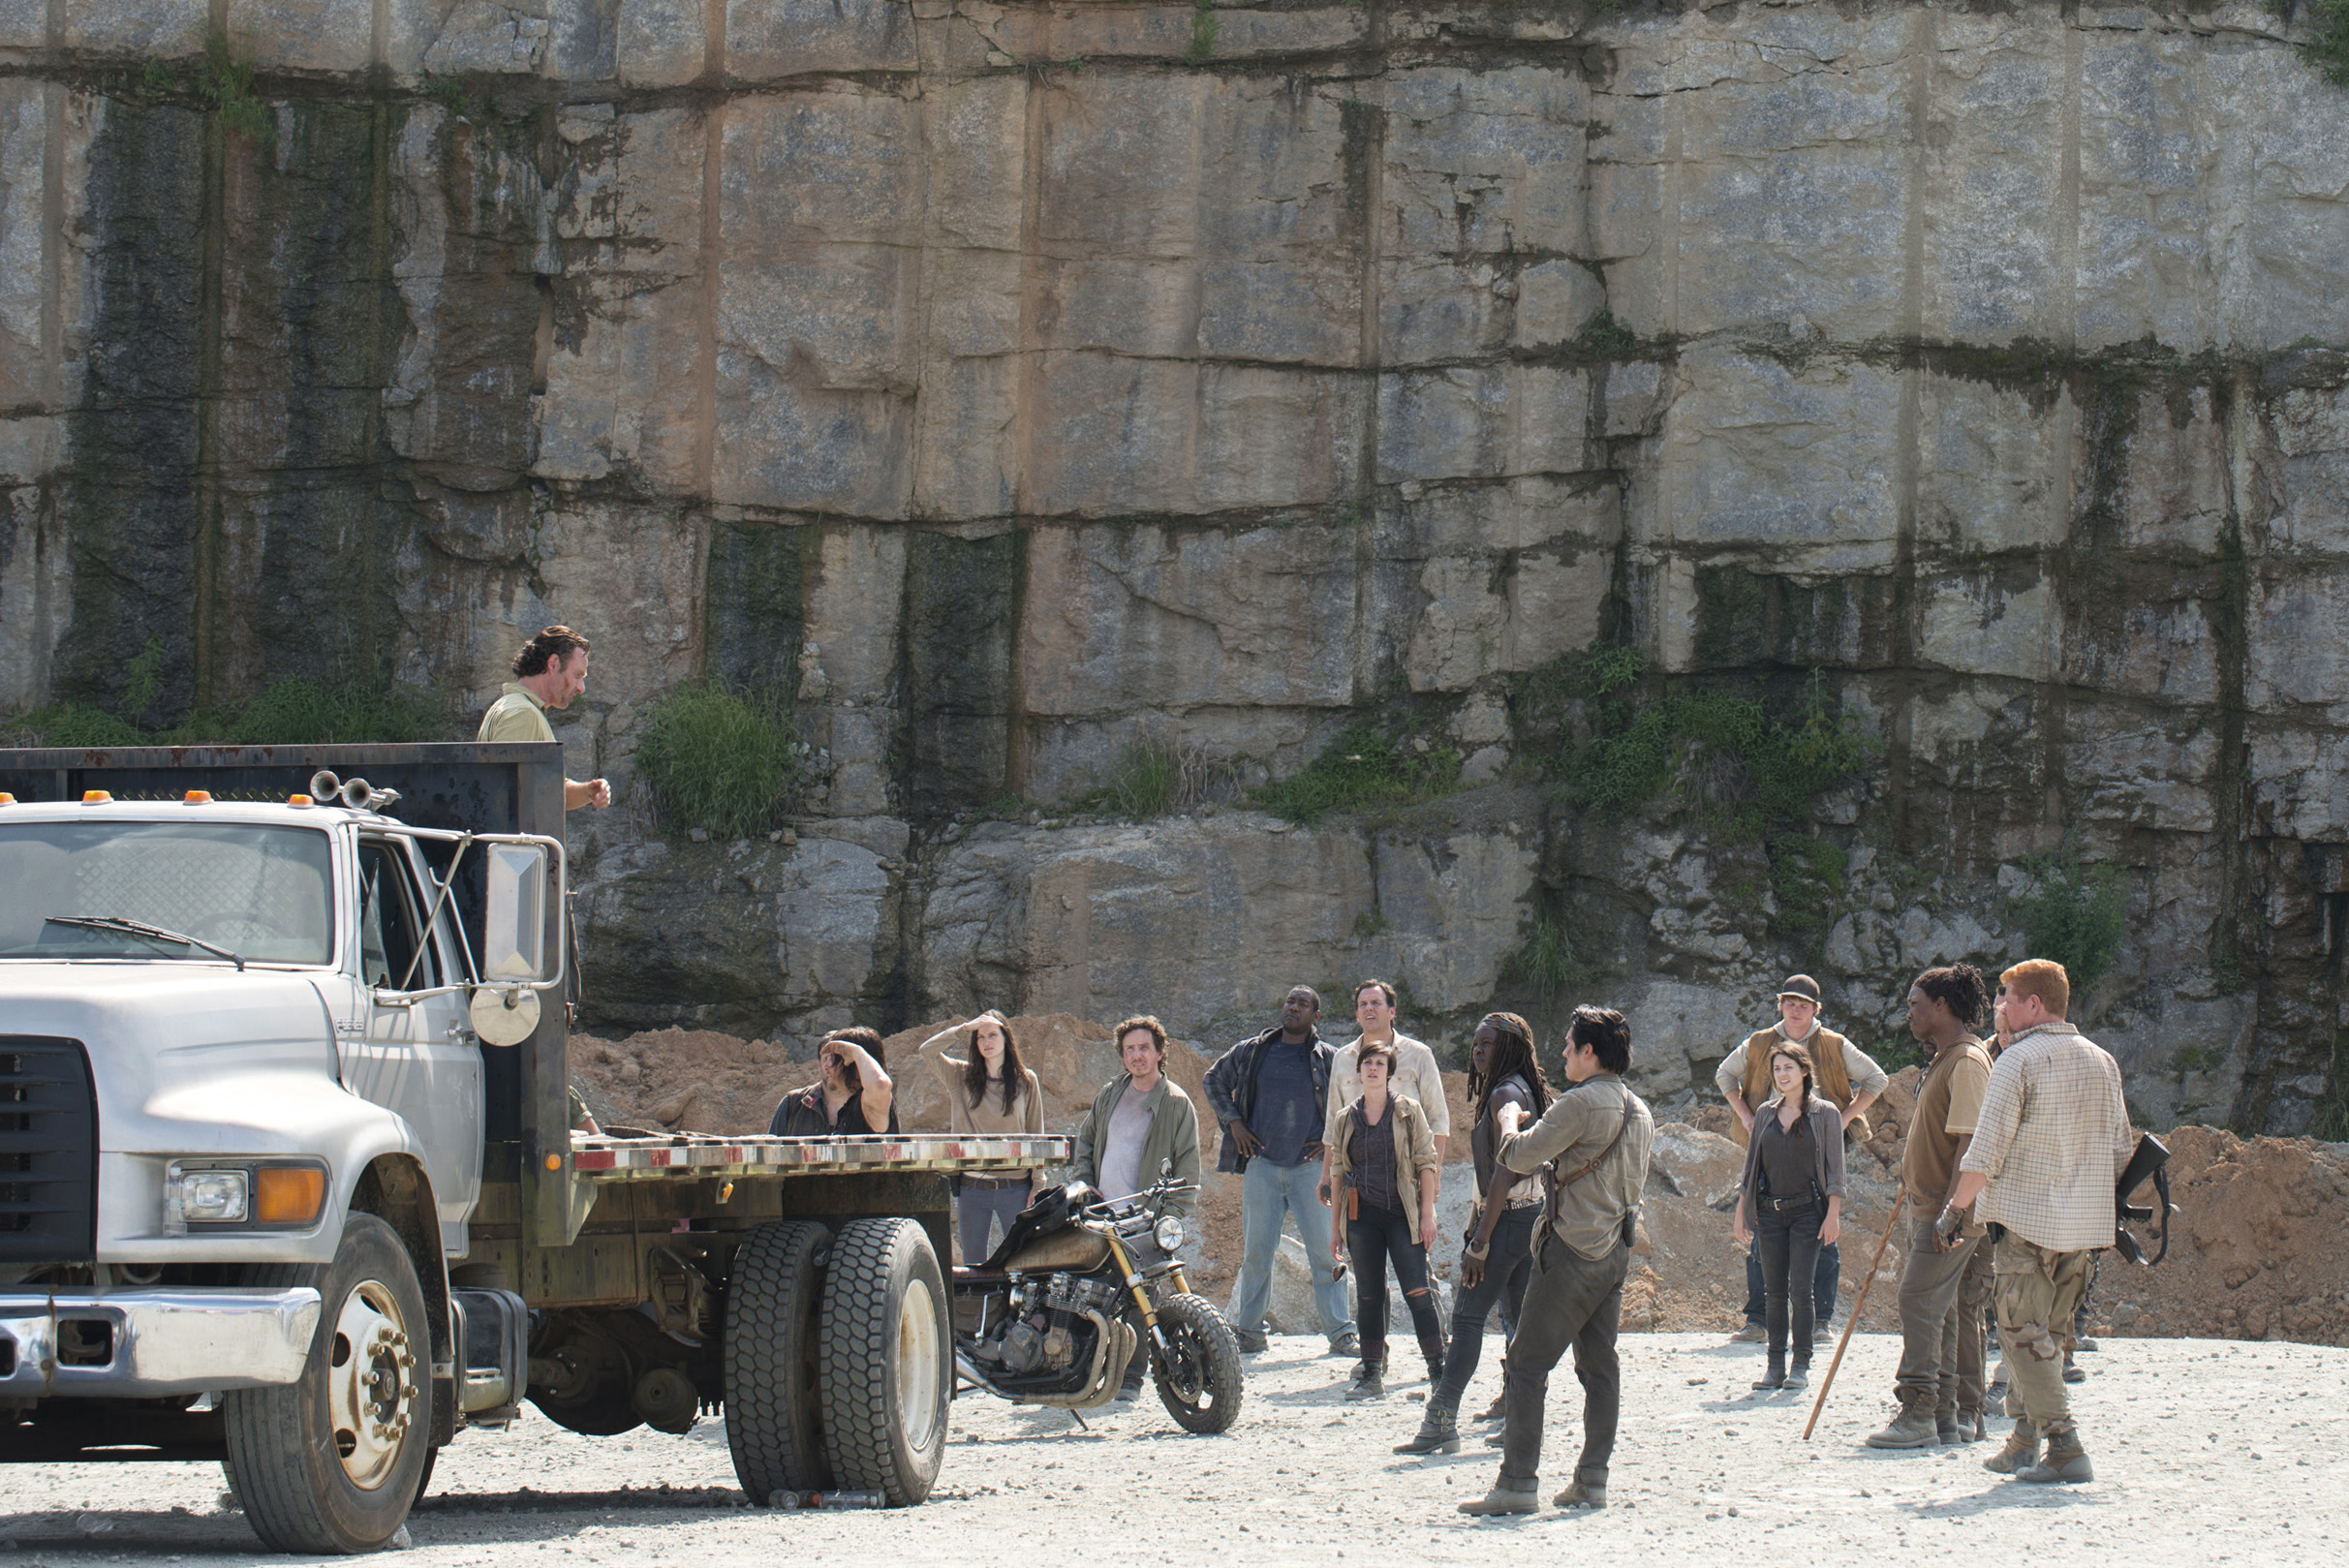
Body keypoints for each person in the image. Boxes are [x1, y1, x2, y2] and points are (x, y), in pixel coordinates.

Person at [1941, 960, 2136, 1485]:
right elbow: (2121, 1148)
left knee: (2020, 1334)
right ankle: (2023, 1441)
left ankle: (2066, 1446)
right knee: (2048, 1335)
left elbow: (1985, 1153)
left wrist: (1956, 1209)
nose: (1998, 1007)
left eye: (2006, 997)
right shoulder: (2103, 1061)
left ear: (2033, 1005)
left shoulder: (2017, 1061)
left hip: (2027, 1225)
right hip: (2082, 1231)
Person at [1459, 1006, 1654, 1517]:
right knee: (1599, 1366)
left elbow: (1516, 1157)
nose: (1564, 1052)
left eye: (1570, 1045)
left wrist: (1508, 1119)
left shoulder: (1581, 1104)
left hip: (1569, 1253)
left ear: (1590, 1052)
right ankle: (1592, 1480)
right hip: (1614, 1252)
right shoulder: (1640, 1110)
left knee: (1525, 1365)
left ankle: (1517, 1485)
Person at [1397, 1012, 1551, 1456]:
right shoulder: (1524, 1088)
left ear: (1509, 1048)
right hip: (1529, 1219)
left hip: (1503, 1223)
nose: (1477, 1051)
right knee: (1518, 1323)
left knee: (1466, 1320)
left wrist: (1480, 1242)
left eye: (1486, 1044)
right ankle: (1517, 1415)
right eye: (1475, 1044)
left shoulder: (1505, 1092)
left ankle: (1441, 1419)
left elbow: (1505, 1170)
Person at [1715, 974, 1885, 1344]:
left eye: (1803, 1005)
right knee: (1763, 1229)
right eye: (1790, 1003)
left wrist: (1844, 1118)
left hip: (1819, 1152)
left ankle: (1820, 1320)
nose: (1795, 1010)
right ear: (1781, 1004)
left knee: (1824, 1231)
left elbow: (1876, 1079)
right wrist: (1746, 1116)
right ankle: (1758, 1320)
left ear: (1815, 1009)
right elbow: (1724, 1074)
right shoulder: (1760, 1043)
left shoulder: (1834, 1045)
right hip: (1770, 1144)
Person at [1868, 965, 1995, 1449]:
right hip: (1933, 1207)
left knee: (1917, 1299)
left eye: (1915, 1004)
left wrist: (1951, 1212)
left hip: (1949, 1211)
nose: (1909, 1014)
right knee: (1940, 1309)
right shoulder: (1945, 1059)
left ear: (1942, 1006)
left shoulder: (1966, 1062)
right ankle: (1945, 1416)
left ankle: (1919, 1410)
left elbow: (1972, 1142)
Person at [1203, 986, 1355, 1357]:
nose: (1294, 1007)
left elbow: (1354, 1102)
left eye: (1303, 1004)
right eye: (1290, 1001)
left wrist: (1330, 1141)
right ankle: (1250, 1332)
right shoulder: (1253, 1051)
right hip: (1262, 1167)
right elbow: (1213, 1080)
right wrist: (1234, 1121)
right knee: (1257, 1254)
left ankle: (1341, 1333)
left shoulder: (1329, 1058)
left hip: (1311, 1172)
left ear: (1316, 1016)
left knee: (1327, 1253)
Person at [1070, 1015, 1203, 1401]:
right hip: (1102, 1215)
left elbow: (1188, 1166)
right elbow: (1086, 1141)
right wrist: (1084, 1185)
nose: (1137, 1056)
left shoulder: (1176, 1103)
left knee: (1141, 1301)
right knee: (1094, 1296)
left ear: (1161, 1052)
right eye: (1130, 1049)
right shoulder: (1110, 1094)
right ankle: (1091, 1374)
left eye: (1144, 1048)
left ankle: (1130, 1379)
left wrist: (1172, 1217)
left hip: (1145, 1218)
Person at [1324, 1043, 1444, 1400]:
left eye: (1380, 1063)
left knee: (1417, 1291)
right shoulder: (1346, 1118)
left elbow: (1427, 1162)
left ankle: (1439, 1371)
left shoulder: (1409, 1111)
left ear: (1390, 1072)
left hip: (1401, 1215)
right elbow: (1337, 1172)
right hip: (1362, 1217)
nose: (1373, 1069)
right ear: (1358, 1071)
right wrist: (1335, 1229)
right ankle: (1371, 1374)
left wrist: (1427, 1213)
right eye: (1367, 1063)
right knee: (1369, 1295)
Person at [1730, 1041, 1845, 1394]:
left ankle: (1800, 1366)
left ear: (1805, 1072)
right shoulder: (1764, 1112)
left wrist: (1834, 1215)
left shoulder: (1826, 1114)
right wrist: (1741, 1213)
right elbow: (1751, 1167)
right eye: (1777, 1069)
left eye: (1788, 1068)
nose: (1782, 1075)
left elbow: (1835, 1169)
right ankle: (1775, 1366)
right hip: (1769, 1213)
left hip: (1808, 1213)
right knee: (1773, 1292)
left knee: (1801, 1291)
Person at [917, 1011, 1047, 1264]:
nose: (987, 1041)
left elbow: (1036, 1134)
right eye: (980, 1037)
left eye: (993, 1035)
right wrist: (965, 1028)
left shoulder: (1026, 1080)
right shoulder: (960, 1075)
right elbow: (927, 1050)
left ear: (1005, 1038)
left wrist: (1038, 1182)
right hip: (973, 1187)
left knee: (1022, 1263)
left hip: (1016, 1187)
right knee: (973, 1265)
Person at [478, 625, 610, 810]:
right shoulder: (522, 714)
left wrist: (588, 791)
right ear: (553, 664)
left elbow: (547, 790)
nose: (581, 688)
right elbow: (505, 800)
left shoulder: (518, 707)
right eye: (577, 675)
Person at [1327, 979, 1452, 1162]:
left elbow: (1438, 1117)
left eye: (1376, 1003)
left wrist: (1434, 1173)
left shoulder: (1419, 1055)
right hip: (1356, 1169)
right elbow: (1332, 1122)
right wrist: (1326, 1177)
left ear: (1391, 1012)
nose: (1369, 1008)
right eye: (1363, 1004)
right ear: (1357, 1015)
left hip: (1407, 1168)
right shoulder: (1342, 1058)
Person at [770, 1027, 898, 1136]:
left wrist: (857, 1052)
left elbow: (880, 1084)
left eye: (835, 1059)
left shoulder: (873, 1104)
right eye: (825, 1058)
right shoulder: (794, 1103)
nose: (827, 1066)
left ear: (852, 1063)